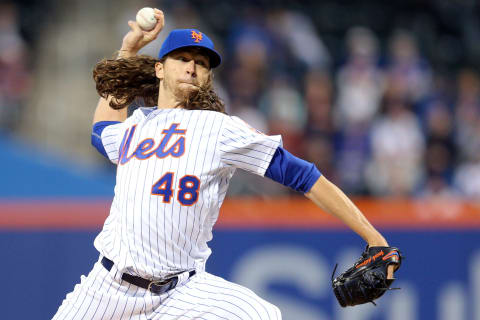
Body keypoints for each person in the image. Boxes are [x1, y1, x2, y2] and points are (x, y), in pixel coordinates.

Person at [53, 9, 395, 320]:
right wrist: (127, 52)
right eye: (183, 57)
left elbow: (302, 175)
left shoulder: (220, 129)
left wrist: (373, 236)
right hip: (107, 289)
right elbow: (102, 133)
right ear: (159, 68)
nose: (192, 66)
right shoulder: (136, 125)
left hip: (181, 293)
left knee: (263, 316)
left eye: (201, 63)